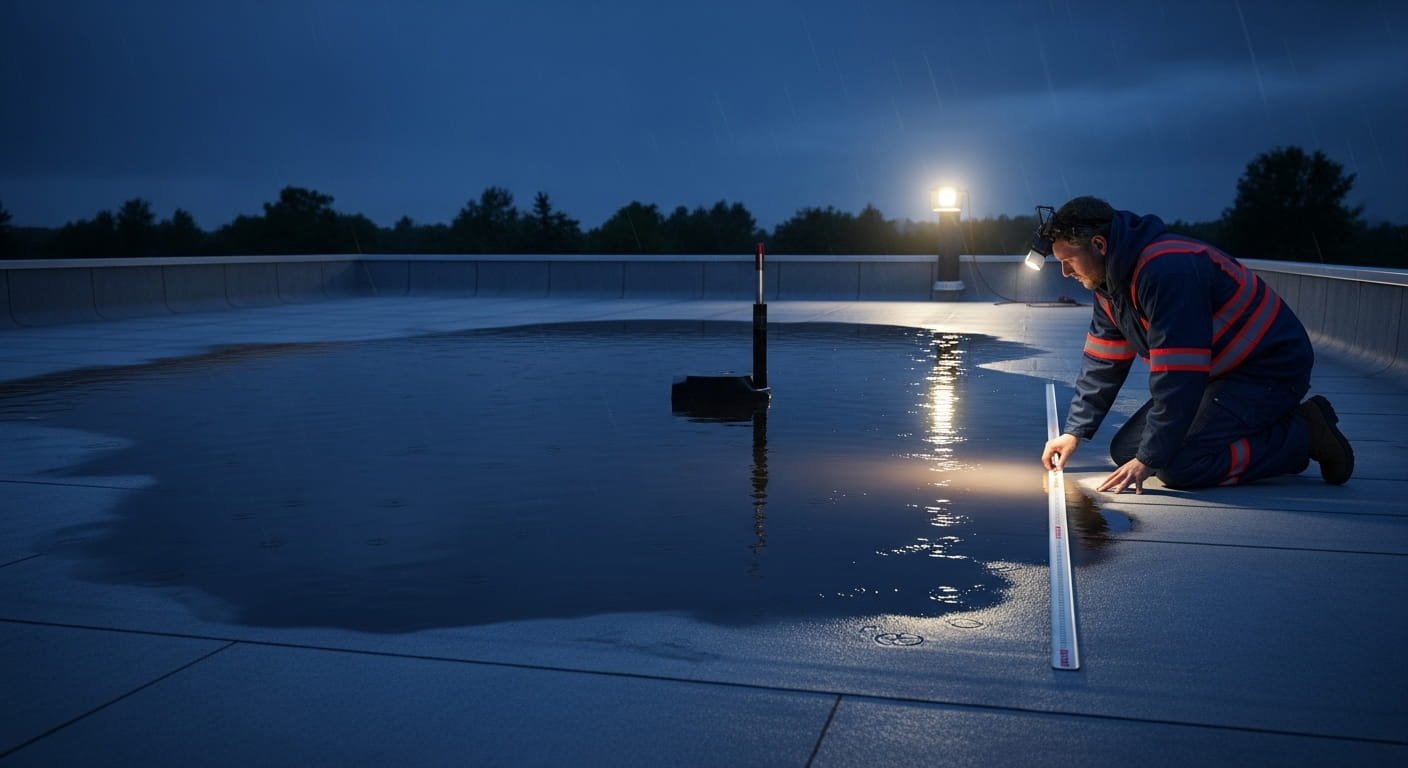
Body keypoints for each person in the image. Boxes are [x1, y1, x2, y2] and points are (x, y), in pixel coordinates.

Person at [1037, 196, 1354, 493]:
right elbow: (1103, 362)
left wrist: (1152, 458)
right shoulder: (1109, 283)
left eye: (1069, 261)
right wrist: (1073, 432)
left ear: (1099, 244)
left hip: (1267, 370)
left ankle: (1302, 433)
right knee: (1127, 452)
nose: (1065, 272)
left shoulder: (1166, 271)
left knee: (1178, 466)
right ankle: (1248, 427)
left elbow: (1179, 374)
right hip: (1216, 373)